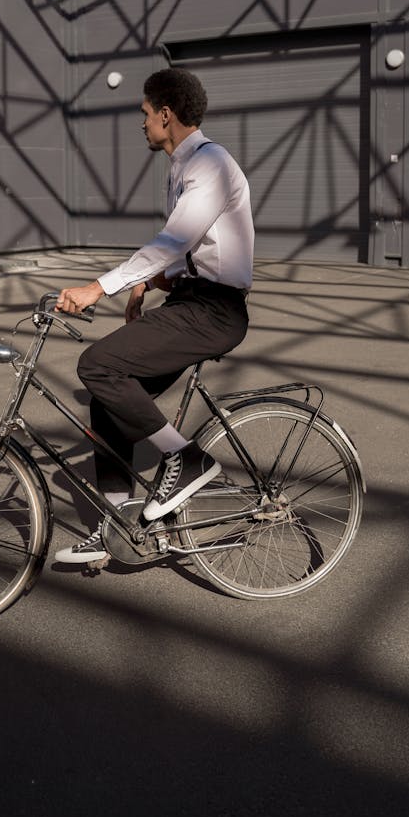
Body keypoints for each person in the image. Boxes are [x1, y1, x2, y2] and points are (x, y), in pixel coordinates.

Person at [54, 67, 254, 563]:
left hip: (213, 311)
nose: (141, 123)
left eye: (145, 114)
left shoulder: (210, 164)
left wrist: (97, 287)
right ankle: (118, 527)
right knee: (108, 402)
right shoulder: (184, 166)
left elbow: (175, 240)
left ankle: (186, 459)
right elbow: (199, 251)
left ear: (166, 114)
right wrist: (147, 282)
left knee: (96, 366)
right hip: (193, 300)